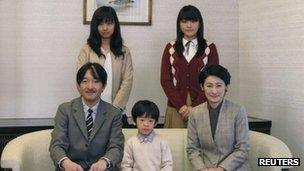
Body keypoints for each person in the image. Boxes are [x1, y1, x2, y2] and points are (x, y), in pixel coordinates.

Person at [49, 62, 124, 171]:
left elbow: (116, 147)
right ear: (79, 85)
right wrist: (66, 162)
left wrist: (104, 162)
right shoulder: (64, 110)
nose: (90, 86)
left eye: (96, 81)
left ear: (103, 86)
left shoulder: (114, 113)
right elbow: (56, 145)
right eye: (85, 81)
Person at [160, 5, 219, 128]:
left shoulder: (209, 48)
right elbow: (165, 80)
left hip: (202, 105)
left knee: (202, 145)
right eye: (185, 21)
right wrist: (181, 106)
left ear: (200, 23)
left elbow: (213, 81)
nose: (189, 25)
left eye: (193, 21)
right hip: (176, 107)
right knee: (174, 144)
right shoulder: (170, 48)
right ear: (179, 24)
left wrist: (195, 107)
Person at [186, 65, 250, 171]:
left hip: (233, 168)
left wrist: (221, 169)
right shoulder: (195, 113)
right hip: (205, 168)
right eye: (209, 86)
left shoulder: (238, 111)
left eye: (219, 85)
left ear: (226, 87)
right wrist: (202, 168)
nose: (214, 91)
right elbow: (192, 149)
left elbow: (242, 149)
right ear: (202, 87)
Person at [77, 6, 133, 113]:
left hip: (116, 110)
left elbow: (127, 81)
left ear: (115, 25)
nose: (105, 28)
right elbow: (80, 79)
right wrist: (92, 104)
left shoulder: (124, 51)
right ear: (95, 26)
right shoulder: (86, 50)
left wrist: (115, 108)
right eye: (101, 24)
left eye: (109, 23)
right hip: (90, 109)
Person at [121, 100, 173, 171]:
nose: (146, 124)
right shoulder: (130, 143)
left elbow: (168, 164)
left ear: (155, 123)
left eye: (150, 121)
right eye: (142, 120)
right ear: (134, 121)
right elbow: (125, 165)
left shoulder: (162, 142)